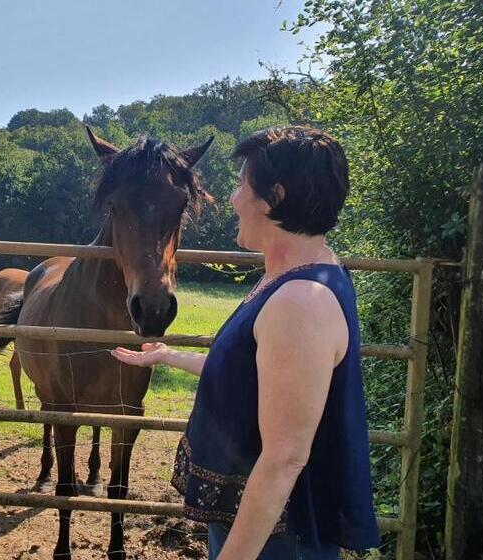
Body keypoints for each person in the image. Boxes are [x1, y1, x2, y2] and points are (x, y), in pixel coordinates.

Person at [112, 127, 381, 559]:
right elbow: (263, 375)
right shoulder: (291, 277)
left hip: (277, 537)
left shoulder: (301, 303)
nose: (233, 199)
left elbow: (283, 461)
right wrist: (169, 356)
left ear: (274, 196)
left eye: (241, 185)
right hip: (261, 523)